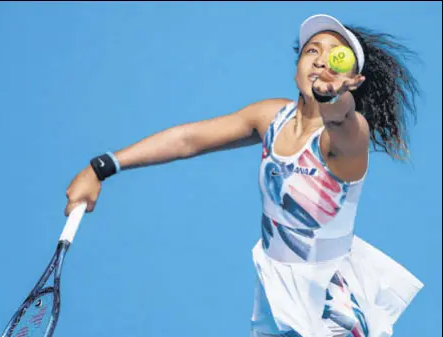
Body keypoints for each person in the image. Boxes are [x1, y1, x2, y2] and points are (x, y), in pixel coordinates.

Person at [65, 14, 423, 337]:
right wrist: (103, 166)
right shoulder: (270, 117)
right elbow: (189, 140)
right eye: (312, 50)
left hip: (329, 301)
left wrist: (334, 100)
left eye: (335, 56)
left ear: (353, 81)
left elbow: (343, 120)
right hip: (275, 288)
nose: (321, 60)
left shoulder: (347, 134)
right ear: (296, 65)